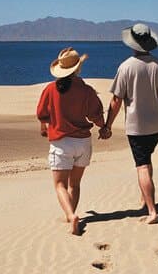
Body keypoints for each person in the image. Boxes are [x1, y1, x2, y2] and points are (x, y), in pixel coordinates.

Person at [100, 23, 158, 224]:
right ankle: (145, 199)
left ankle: (153, 211)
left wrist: (107, 126)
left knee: (142, 167)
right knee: (146, 160)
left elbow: (116, 100)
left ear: (133, 44)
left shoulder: (126, 67)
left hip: (137, 126)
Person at [36, 47, 106, 235]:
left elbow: (41, 113)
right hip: (82, 143)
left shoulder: (50, 89)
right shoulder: (86, 90)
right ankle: (72, 215)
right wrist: (104, 127)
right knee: (74, 184)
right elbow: (96, 115)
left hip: (61, 142)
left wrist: (44, 126)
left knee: (60, 185)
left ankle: (71, 216)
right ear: (77, 69)